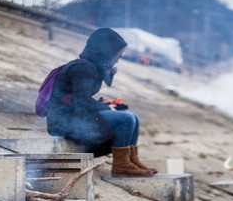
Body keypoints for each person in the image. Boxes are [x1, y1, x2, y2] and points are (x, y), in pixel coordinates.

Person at [44, 28, 156, 177]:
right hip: (64, 121)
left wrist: (108, 102)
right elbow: (81, 101)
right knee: (127, 119)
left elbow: (81, 98)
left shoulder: (88, 66)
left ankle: (130, 160)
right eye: (118, 55)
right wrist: (106, 106)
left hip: (73, 114)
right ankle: (121, 165)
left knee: (134, 117)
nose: (118, 59)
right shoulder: (82, 68)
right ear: (105, 52)